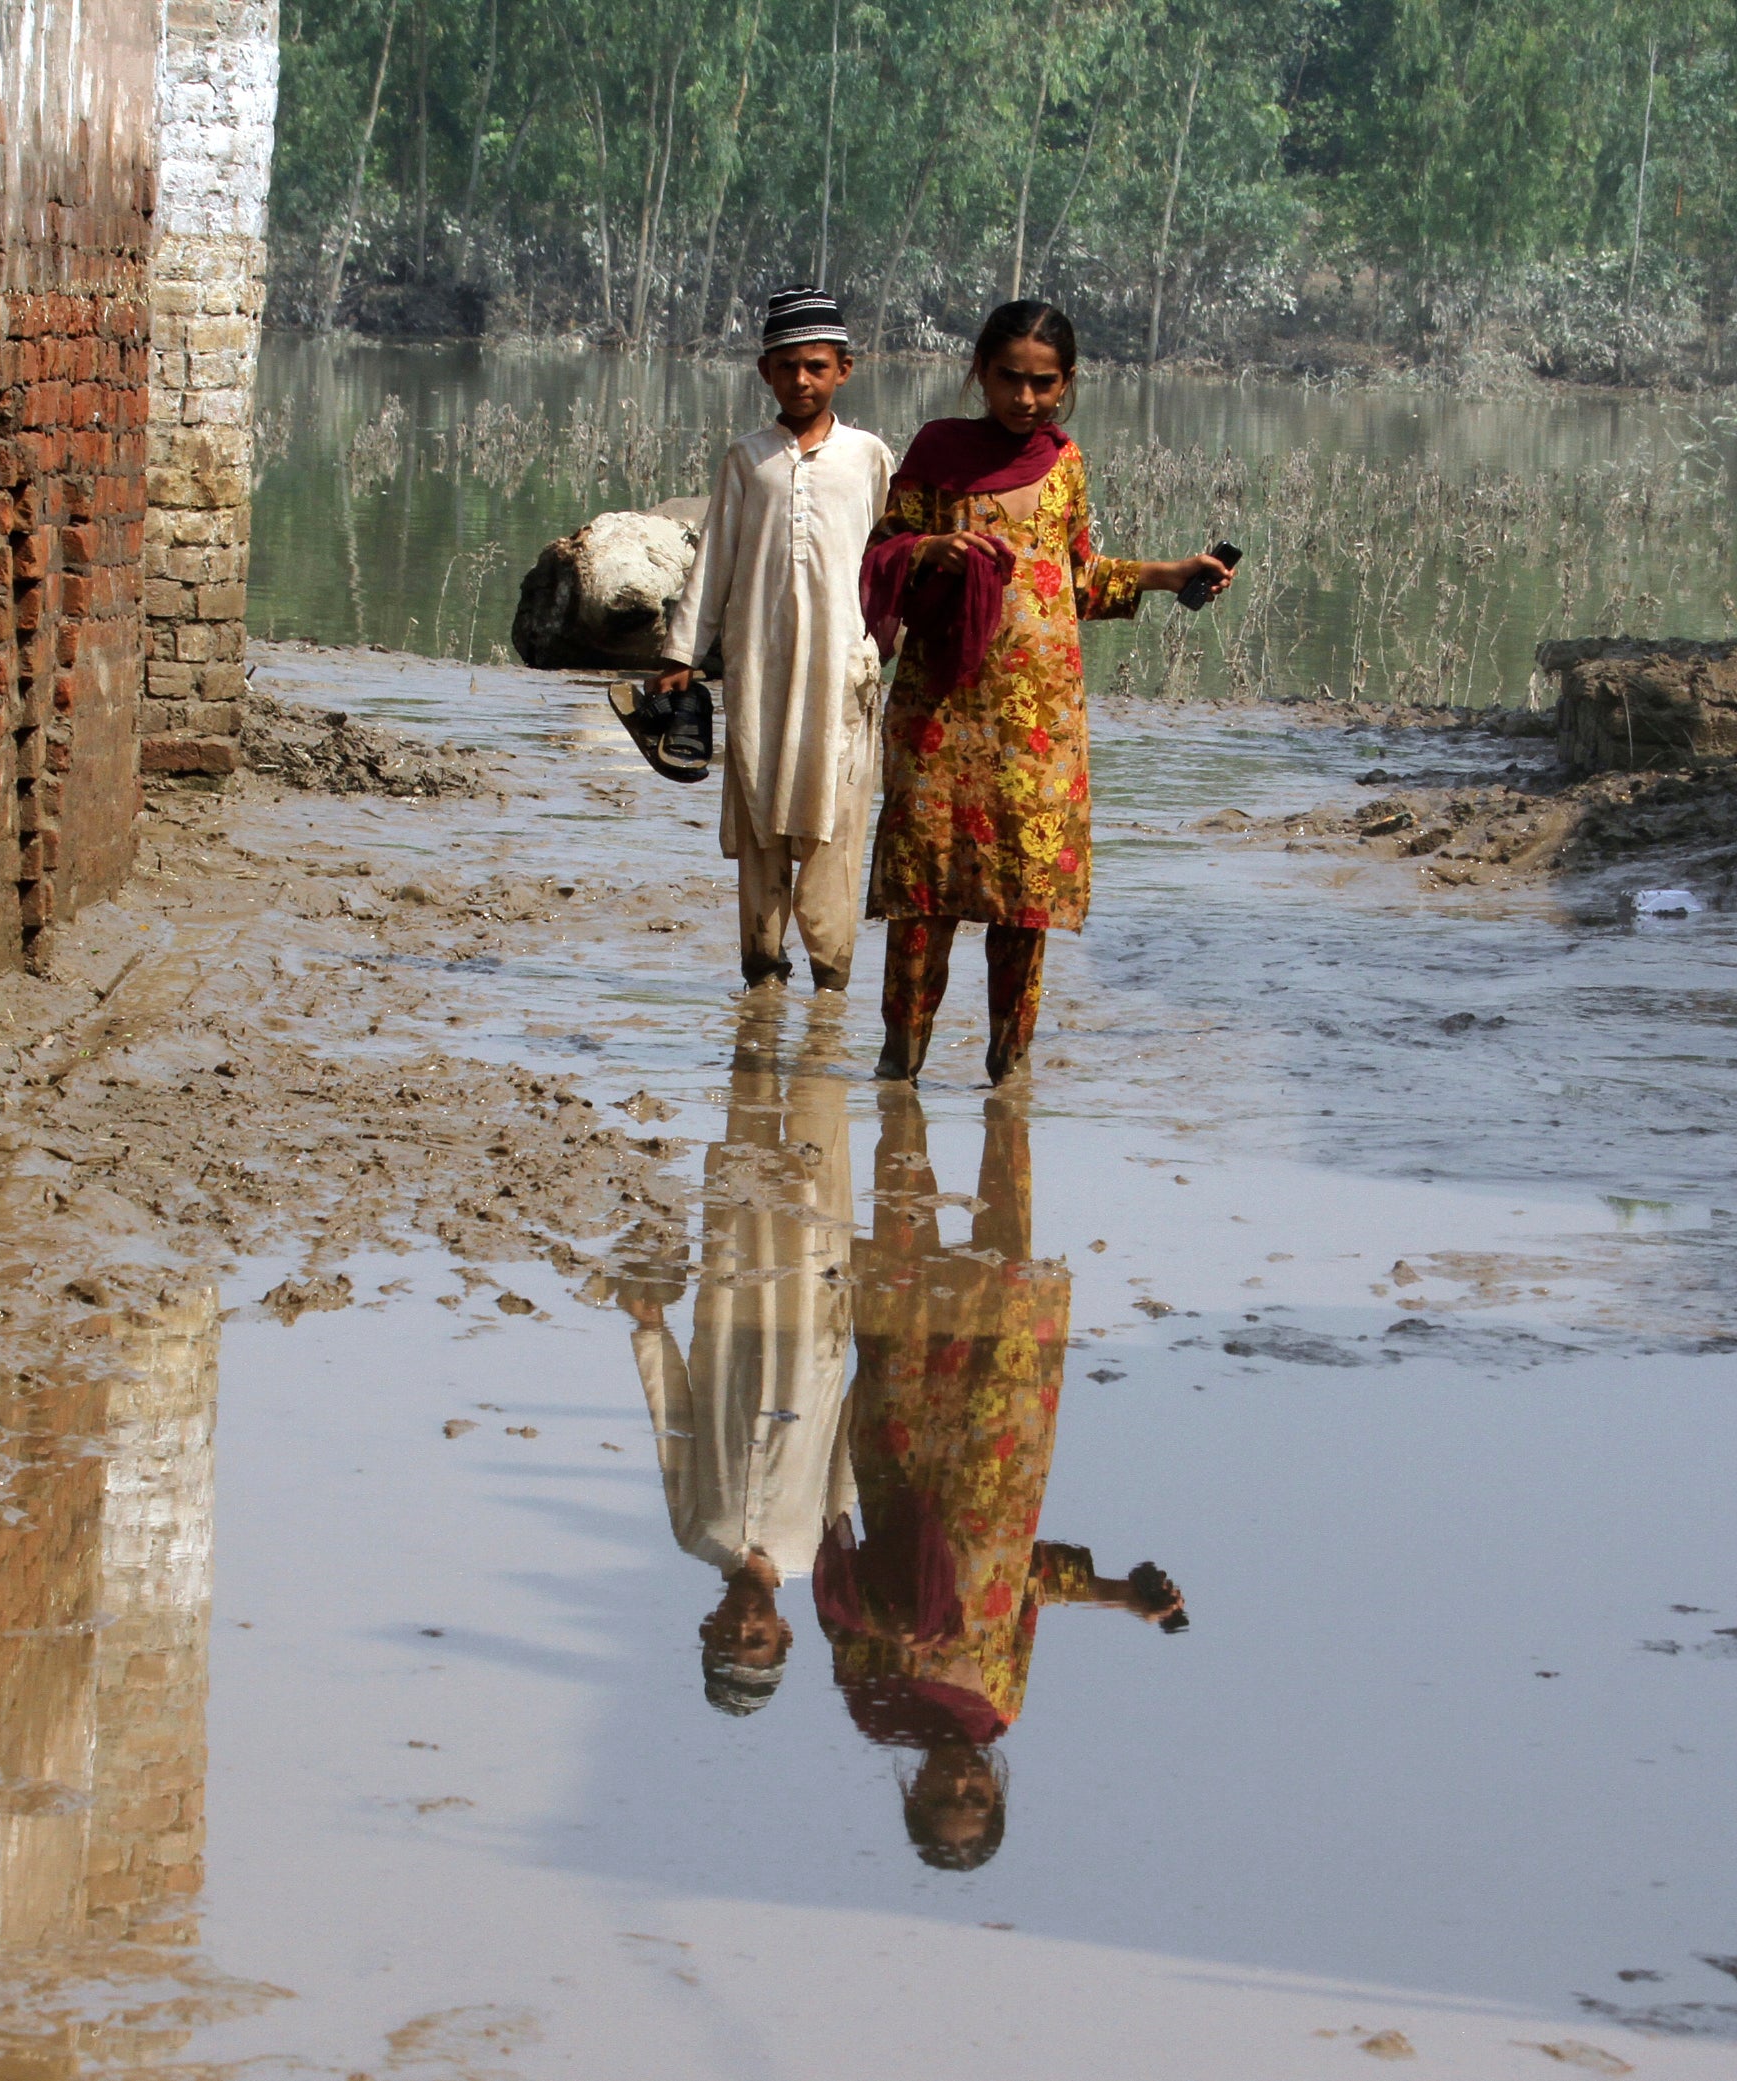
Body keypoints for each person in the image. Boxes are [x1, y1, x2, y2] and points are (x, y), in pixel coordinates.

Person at [857, 299, 1234, 1083]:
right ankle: (900, 1065)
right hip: (941, 710)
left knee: (1023, 901)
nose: (1024, 400)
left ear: (1067, 383)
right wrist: (934, 548)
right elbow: (883, 554)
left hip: (1041, 723)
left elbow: (1077, 581)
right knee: (924, 897)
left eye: (1043, 384)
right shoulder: (938, 450)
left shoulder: (1066, 462)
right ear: (978, 372)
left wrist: (1171, 575)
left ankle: (1011, 1067)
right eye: (1008, 380)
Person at [814, 1089, 1184, 1866]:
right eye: (976, 1800)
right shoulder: (1001, 1706)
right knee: (1007, 1268)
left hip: (906, 1454)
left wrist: (893, 1627)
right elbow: (1024, 1582)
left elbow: (838, 1591)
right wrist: (1122, 1594)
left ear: (912, 1793)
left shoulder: (879, 1703)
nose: (960, 1787)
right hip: (1000, 1450)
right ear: (997, 1790)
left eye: (942, 1800)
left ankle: (900, 1093)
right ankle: (1007, 1100)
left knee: (905, 1269)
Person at [617, 1000, 859, 1714]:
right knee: (816, 1170)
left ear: (708, 1627)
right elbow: (850, 1451)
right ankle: (827, 1015)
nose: (743, 1626)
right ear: (785, 1634)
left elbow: (675, 1429)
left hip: (727, 1327)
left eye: (727, 1638)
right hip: (812, 1335)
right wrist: (868, 1351)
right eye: (756, 1640)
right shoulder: (819, 1551)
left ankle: (761, 1011)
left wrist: (652, 1333)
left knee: (744, 1164)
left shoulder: (695, 1533)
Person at [655, 285, 899, 993]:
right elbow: (716, 560)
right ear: (765, 371)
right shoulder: (747, 460)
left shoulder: (870, 458)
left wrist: (887, 648)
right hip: (758, 670)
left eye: (816, 367)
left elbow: (895, 560)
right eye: (787, 366)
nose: (801, 380)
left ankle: (831, 982)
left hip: (841, 673)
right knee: (761, 808)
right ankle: (762, 973)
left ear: (844, 371)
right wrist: (680, 653)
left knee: (836, 820)